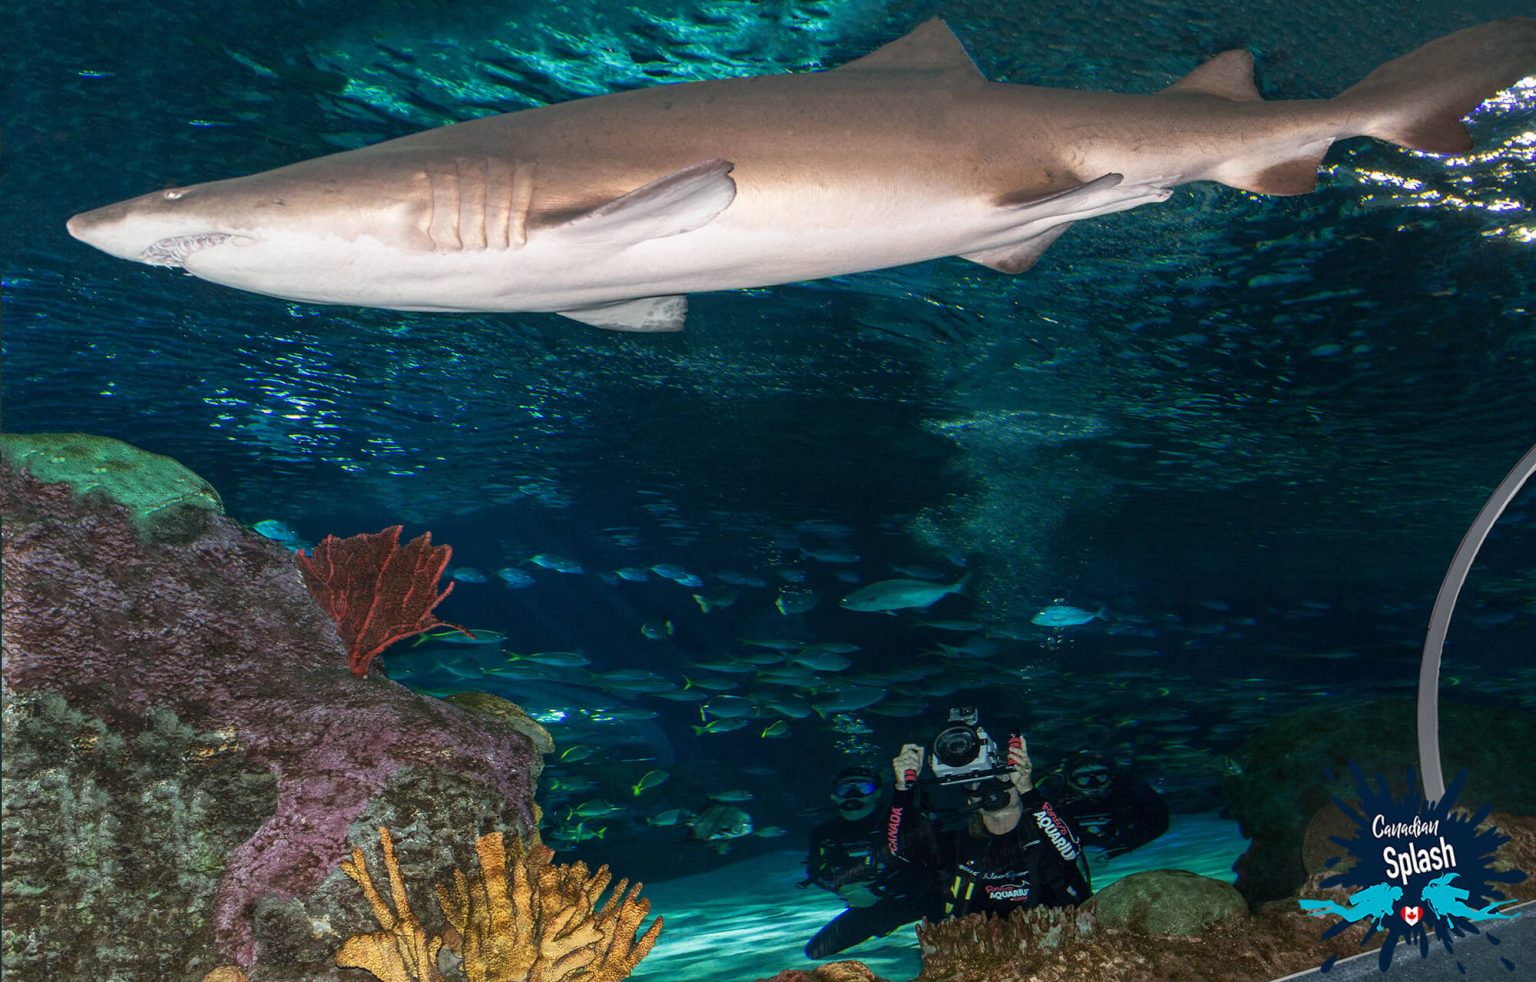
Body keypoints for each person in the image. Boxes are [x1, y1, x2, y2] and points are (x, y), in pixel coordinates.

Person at [886, 731, 1090, 920]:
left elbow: (1069, 851)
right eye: (978, 779)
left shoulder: (1047, 825)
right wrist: (903, 789)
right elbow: (899, 850)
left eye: (1002, 776)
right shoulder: (957, 843)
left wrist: (1028, 790)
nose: (990, 786)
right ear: (968, 798)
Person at [801, 765, 940, 959]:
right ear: (833, 795)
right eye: (844, 789)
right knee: (815, 951)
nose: (852, 795)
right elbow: (816, 871)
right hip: (872, 906)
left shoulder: (900, 820)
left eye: (863, 788)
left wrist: (879, 891)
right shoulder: (824, 832)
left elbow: (930, 863)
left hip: (922, 898)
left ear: (878, 793)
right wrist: (845, 889)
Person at [1039, 750, 1169, 860]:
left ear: (1112, 777)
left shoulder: (1129, 790)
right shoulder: (1052, 793)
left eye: (1101, 777)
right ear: (1069, 780)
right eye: (1083, 779)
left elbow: (1158, 822)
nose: (1094, 785)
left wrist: (1114, 849)